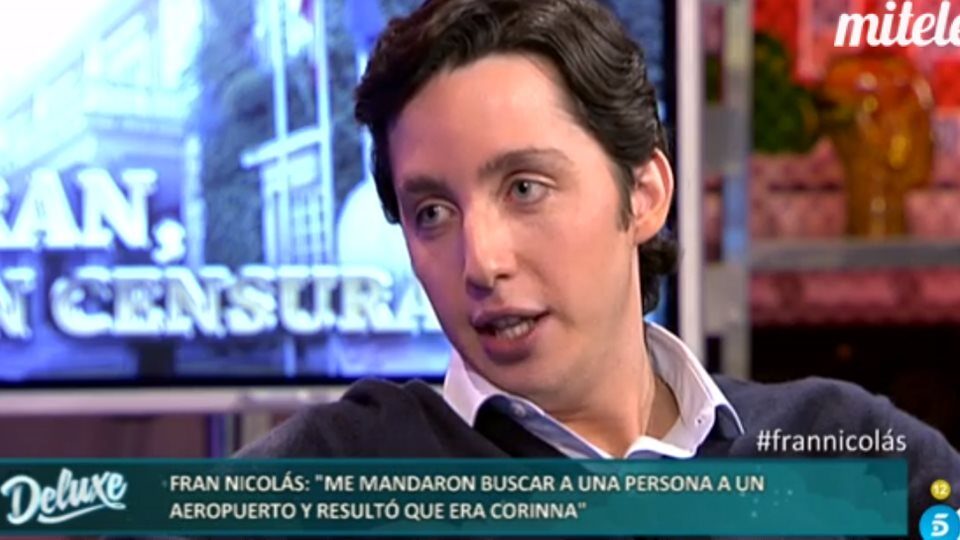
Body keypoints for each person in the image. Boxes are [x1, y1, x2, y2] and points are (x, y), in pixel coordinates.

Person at [239, 0, 960, 536]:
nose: (481, 263)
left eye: (525, 189)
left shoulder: (843, 449)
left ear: (643, 195)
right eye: (432, 212)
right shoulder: (340, 475)